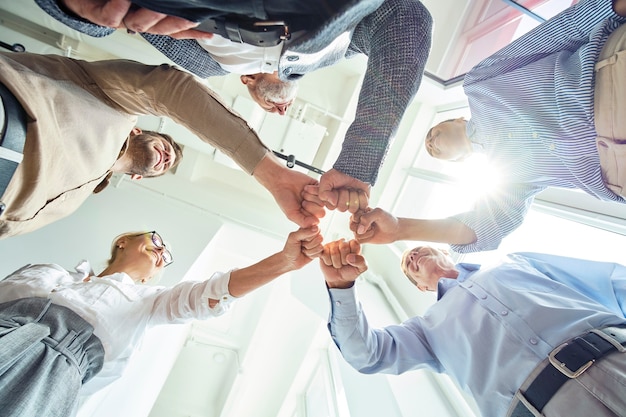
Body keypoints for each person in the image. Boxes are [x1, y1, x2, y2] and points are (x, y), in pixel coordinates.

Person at [34, 0, 434, 211]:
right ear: (248, 81)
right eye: (276, 107)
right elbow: (404, 17)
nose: (280, 109)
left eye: (276, 110)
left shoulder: (202, 66)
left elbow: (405, 17)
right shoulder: (330, 43)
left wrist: (78, 11)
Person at [351, 0, 626, 253]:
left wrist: (613, 6)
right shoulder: (506, 181)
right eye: (433, 150)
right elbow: (484, 227)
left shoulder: (479, 84)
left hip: (610, 77)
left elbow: (561, 32)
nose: (431, 143)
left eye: (432, 134)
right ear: (459, 160)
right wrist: (400, 229)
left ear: (457, 119)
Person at [0, 226, 323, 417]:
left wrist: (284, 262)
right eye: (156, 241)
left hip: (52, 374)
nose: (161, 251)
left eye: (165, 256)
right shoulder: (50, 270)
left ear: (154, 275)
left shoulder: (148, 302)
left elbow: (208, 295)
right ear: (122, 241)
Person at [0, 51, 324, 238]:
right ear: (140, 130)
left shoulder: (72, 202)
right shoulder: (113, 103)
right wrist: (272, 174)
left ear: (138, 178)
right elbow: (168, 89)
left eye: (168, 166)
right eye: (167, 143)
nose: (168, 156)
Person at [319, 239, 626, 417]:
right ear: (421, 288)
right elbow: (366, 355)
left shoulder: (515, 262)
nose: (411, 256)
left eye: (418, 249)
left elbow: (611, 282)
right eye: (407, 266)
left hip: (615, 360)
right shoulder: (425, 331)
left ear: (445, 252)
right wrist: (340, 286)